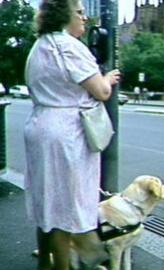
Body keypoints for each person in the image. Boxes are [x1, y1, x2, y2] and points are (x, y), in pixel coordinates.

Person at [23, 1, 121, 269]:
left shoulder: (40, 46)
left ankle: (45, 262)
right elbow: (100, 92)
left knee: (48, 203)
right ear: (63, 15)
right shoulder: (69, 46)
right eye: (79, 12)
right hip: (66, 132)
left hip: (41, 124)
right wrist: (107, 78)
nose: (84, 18)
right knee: (65, 207)